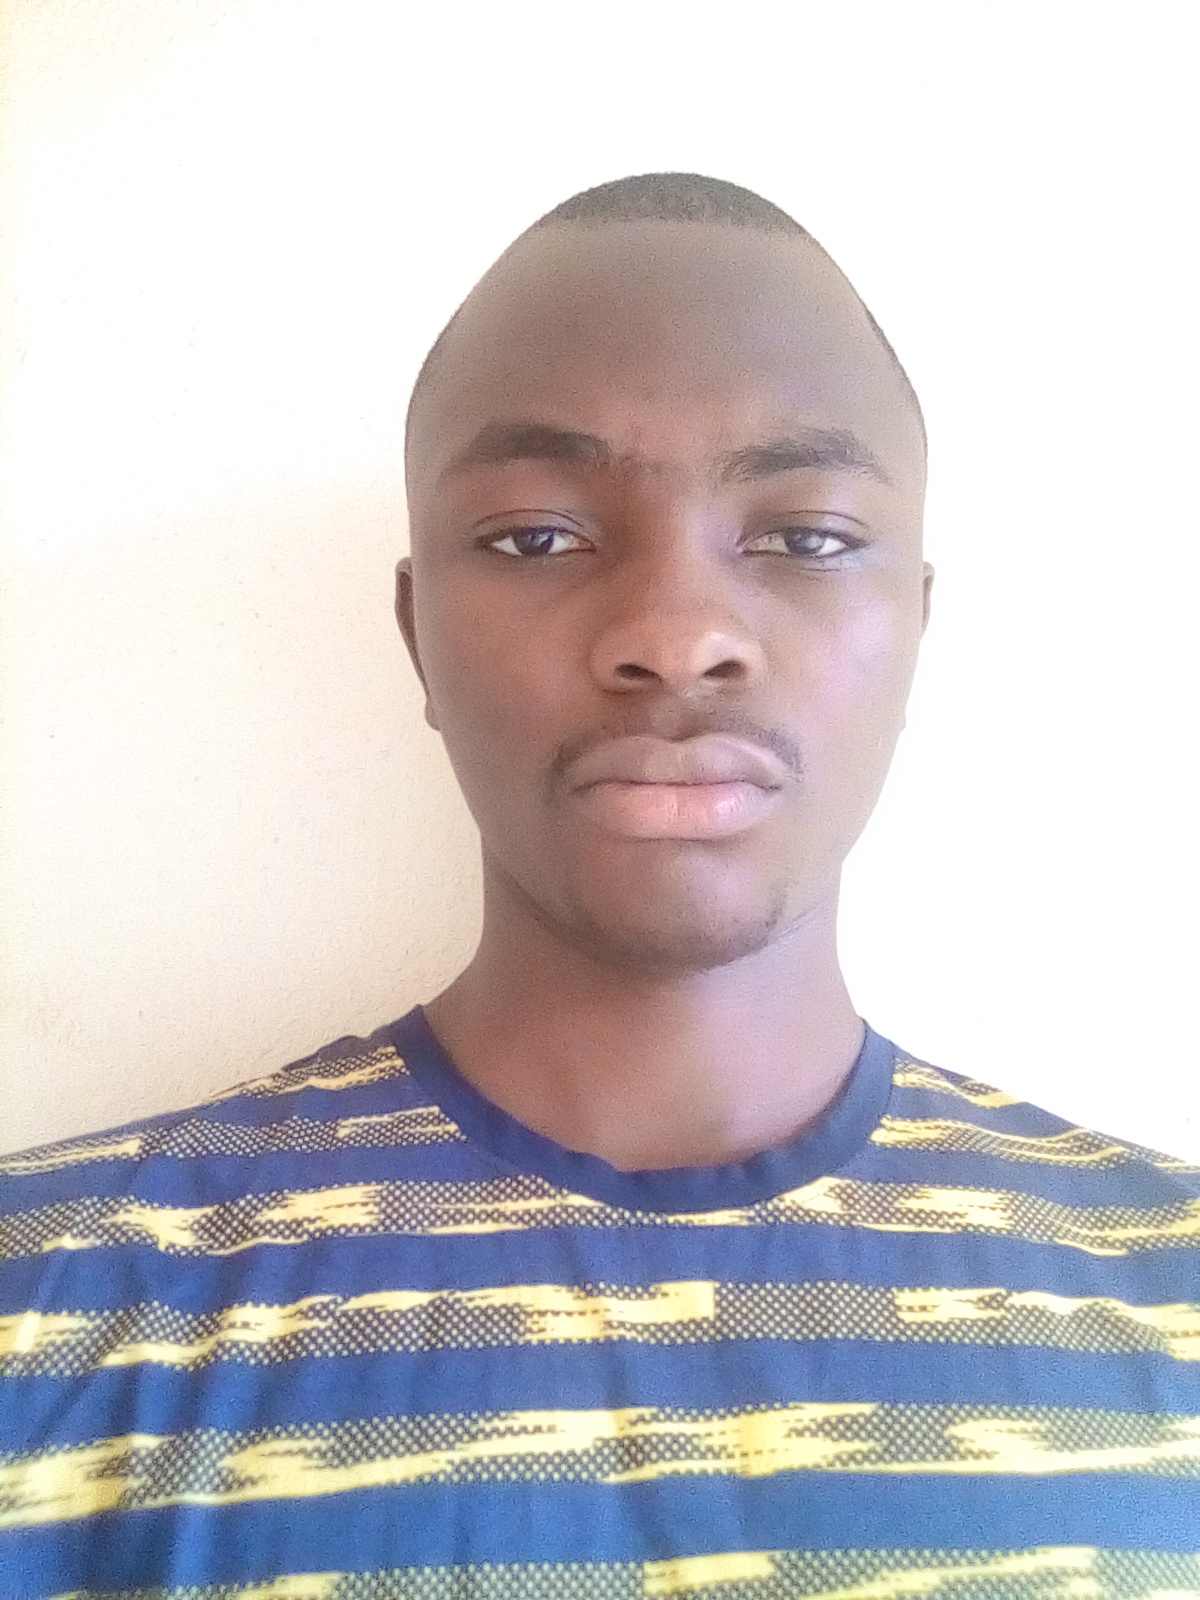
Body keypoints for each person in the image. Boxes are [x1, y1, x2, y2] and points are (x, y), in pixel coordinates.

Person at [1, 173, 1197, 1599]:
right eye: (537, 536)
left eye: (806, 537)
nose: (679, 637)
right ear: (417, 634)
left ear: (916, 624)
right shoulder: (40, 1310)